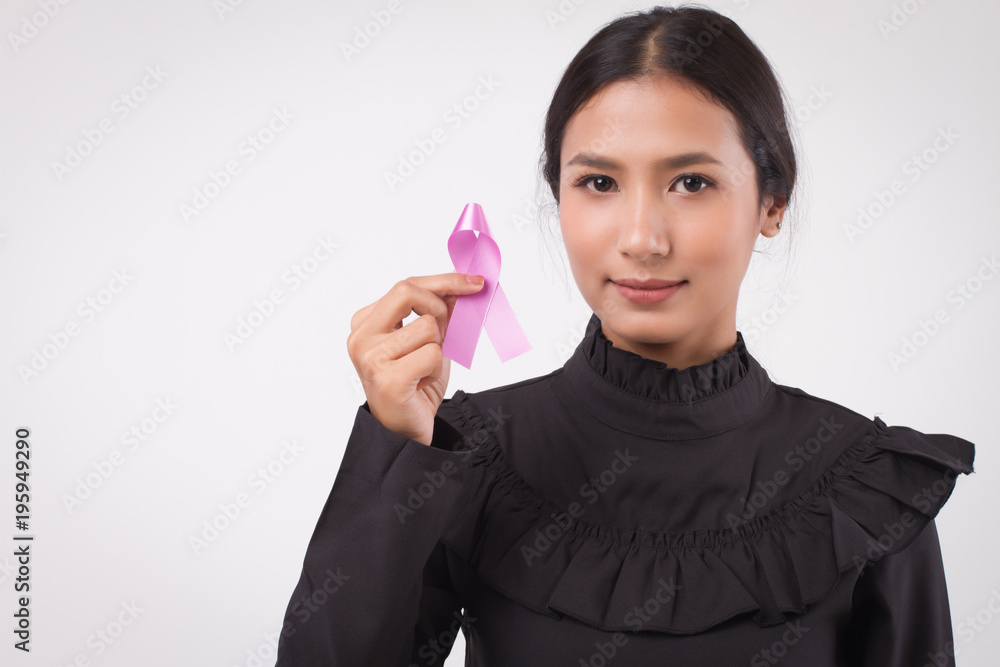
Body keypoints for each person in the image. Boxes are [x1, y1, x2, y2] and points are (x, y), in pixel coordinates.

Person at [274, 4, 976, 665]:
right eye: (600, 183)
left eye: (692, 182)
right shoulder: (463, 452)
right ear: (560, 199)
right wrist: (396, 447)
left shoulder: (864, 486)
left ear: (772, 201)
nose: (641, 239)